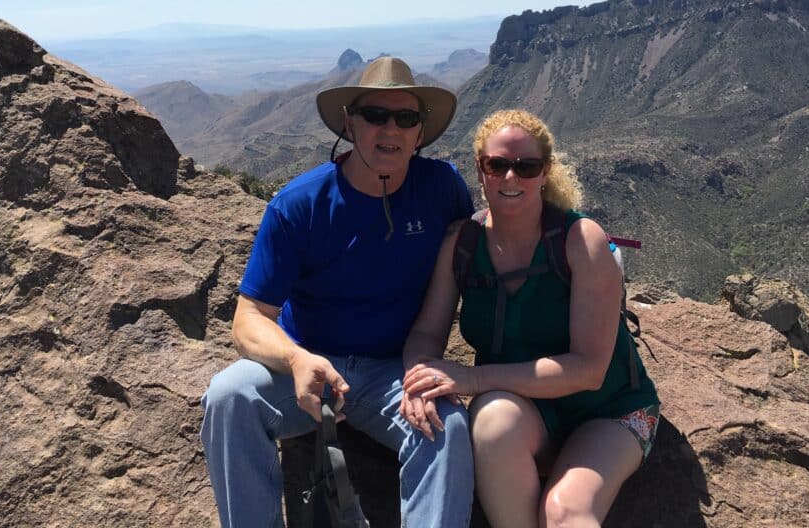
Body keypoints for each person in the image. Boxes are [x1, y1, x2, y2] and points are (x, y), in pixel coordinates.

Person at [200, 56, 476, 528]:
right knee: (229, 397)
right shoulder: (299, 204)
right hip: (309, 369)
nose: (390, 128)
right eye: (375, 115)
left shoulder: (443, 189)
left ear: (419, 132)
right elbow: (248, 318)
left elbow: (478, 258)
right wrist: (295, 361)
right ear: (350, 124)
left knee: (445, 426)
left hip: (396, 372)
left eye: (405, 118)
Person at [402, 109, 660, 528]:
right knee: (490, 423)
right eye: (497, 165)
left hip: (608, 410)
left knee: (563, 513)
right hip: (525, 411)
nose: (510, 178)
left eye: (526, 167)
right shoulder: (462, 243)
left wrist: (474, 379)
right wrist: (417, 379)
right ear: (480, 170)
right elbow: (428, 331)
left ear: (545, 172)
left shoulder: (582, 242)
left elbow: (589, 371)